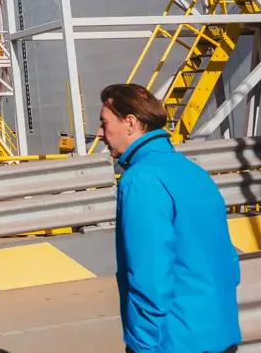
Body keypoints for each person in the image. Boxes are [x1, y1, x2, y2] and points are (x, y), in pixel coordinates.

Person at [96, 83, 241, 353]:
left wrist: (144, 346)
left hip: (173, 341)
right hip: (220, 332)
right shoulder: (192, 171)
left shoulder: (141, 179)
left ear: (130, 123)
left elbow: (149, 276)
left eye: (105, 123)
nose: (100, 133)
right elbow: (228, 259)